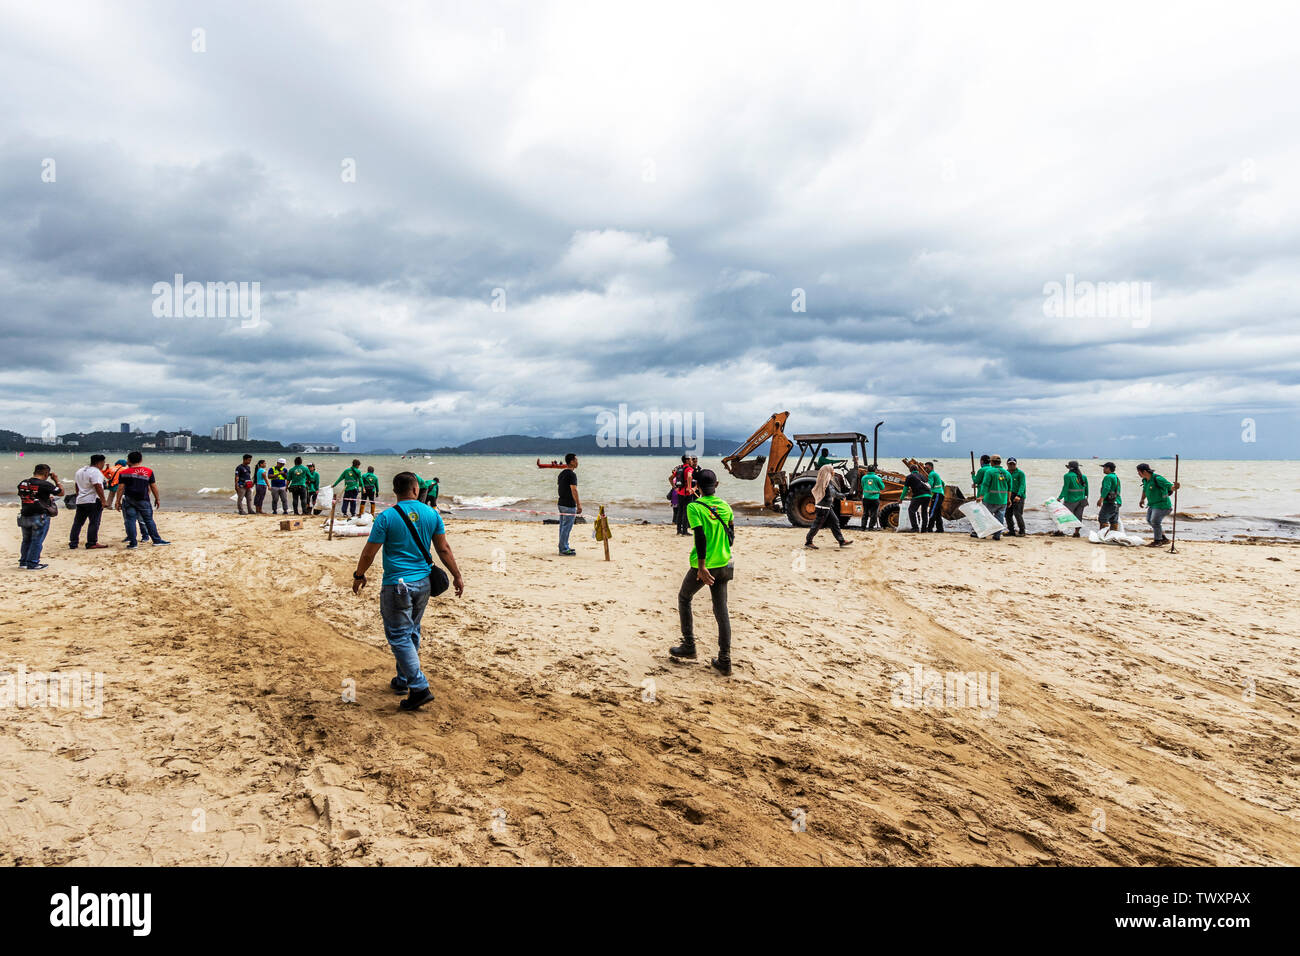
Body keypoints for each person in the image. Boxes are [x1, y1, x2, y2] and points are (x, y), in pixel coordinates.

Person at [350, 471, 464, 712]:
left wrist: (359, 575)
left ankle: (419, 687)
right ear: (415, 490)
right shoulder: (431, 513)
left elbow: (370, 552)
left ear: (396, 491)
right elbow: (443, 549)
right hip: (423, 583)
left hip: (396, 584)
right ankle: (403, 679)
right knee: (411, 629)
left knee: (399, 634)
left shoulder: (386, 517)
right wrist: (457, 575)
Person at [668, 469, 736, 676]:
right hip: (725, 563)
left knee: (684, 597)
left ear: (696, 486)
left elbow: (700, 537)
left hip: (705, 564)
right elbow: (732, 536)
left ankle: (689, 645)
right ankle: (724, 659)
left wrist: (702, 566)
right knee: (721, 610)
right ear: (716, 485)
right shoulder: (725, 506)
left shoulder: (694, 507)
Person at [114, 451, 168, 548]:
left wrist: (117, 501)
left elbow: (121, 488)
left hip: (129, 499)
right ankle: (156, 540)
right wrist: (157, 499)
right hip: (143, 499)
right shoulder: (148, 471)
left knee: (130, 521)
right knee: (148, 520)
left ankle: (133, 543)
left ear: (129, 460)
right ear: (141, 460)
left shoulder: (123, 473)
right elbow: (153, 486)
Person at [17, 463, 62, 570]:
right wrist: (56, 480)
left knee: (26, 539)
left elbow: (24, 494)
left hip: (24, 514)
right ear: (46, 473)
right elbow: (60, 493)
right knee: (37, 540)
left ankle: (23, 562)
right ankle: (33, 563)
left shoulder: (23, 483)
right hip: (39, 515)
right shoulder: (45, 484)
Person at [805, 464, 851, 549]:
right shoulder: (827, 481)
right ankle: (808, 541)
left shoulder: (823, 480)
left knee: (835, 522)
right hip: (823, 508)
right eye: (832, 470)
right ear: (828, 471)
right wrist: (844, 495)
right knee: (817, 525)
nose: (833, 472)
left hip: (827, 507)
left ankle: (841, 541)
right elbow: (833, 493)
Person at [70, 454, 109, 550]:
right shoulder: (96, 472)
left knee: (78, 522)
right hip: (93, 500)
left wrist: (78, 494)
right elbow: (98, 486)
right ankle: (91, 542)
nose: (103, 465)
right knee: (94, 522)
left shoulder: (80, 471)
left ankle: (73, 542)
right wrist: (104, 501)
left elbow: (77, 485)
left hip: (81, 500)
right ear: (99, 462)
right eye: (103, 463)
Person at [1137, 463, 1178, 547]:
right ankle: (1163, 538)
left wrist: (1176, 487)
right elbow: (1144, 490)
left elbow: (1170, 487)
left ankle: (1157, 541)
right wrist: (1142, 499)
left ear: (1144, 471)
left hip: (1162, 505)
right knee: (1149, 520)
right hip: (1152, 504)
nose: (1138, 474)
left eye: (1139, 472)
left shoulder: (1158, 479)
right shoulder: (1145, 480)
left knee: (1155, 522)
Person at [977, 454, 1011, 541]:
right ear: (1000, 462)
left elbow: (985, 485)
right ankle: (997, 535)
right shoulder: (1007, 473)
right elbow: (1009, 488)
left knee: (985, 517)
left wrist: (981, 496)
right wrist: (1009, 499)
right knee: (1000, 518)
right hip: (1002, 500)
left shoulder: (990, 472)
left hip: (990, 499)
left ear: (991, 462)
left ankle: (984, 533)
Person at [1057, 461, 1089, 537]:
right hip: (1082, 499)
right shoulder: (1083, 476)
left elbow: (1065, 488)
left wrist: (1060, 497)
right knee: (1079, 516)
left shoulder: (1067, 476)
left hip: (1070, 499)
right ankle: (1076, 532)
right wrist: (1086, 497)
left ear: (1069, 468)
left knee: (1064, 515)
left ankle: (1060, 531)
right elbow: (1086, 489)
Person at [557, 453, 581, 555]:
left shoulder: (562, 473)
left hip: (561, 503)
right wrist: (579, 504)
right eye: (576, 460)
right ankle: (563, 549)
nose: (577, 462)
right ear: (571, 462)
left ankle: (564, 546)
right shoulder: (572, 474)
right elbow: (574, 489)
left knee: (563, 527)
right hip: (568, 504)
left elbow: (560, 487)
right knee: (566, 527)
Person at [902, 464, 932, 532]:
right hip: (928, 495)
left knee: (911, 510)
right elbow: (928, 485)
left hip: (918, 495)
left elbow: (905, 489)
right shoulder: (923, 476)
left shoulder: (909, 477)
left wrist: (901, 498)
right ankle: (924, 529)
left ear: (910, 470)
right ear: (917, 470)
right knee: (924, 511)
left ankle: (915, 528)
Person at [1097, 462, 1122, 533]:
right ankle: (1113, 535)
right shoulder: (1116, 477)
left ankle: (1102, 535)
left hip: (1109, 502)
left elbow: (1106, 488)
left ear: (1108, 468)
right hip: (1117, 501)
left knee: (1103, 519)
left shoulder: (1108, 477)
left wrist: (1101, 499)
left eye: (1104, 468)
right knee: (1114, 520)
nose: (1103, 469)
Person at [1005, 458, 1027, 536]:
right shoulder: (1005, 473)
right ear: (1007, 464)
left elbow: (1022, 485)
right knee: (1007, 514)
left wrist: (1018, 495)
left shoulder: (1020, 473)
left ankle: (1022, 531)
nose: (1011, 465)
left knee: (1017, 513)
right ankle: (1011, 531)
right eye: (1010, 464)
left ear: (1016, 464)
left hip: (1019, 495)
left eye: (1013, 464)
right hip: (1008, 495)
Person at [860, 464, 884, 530]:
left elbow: (862, 486)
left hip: (866, 498)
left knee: (865, 513)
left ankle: (863, 527)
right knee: (874, 513)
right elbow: (882, 487)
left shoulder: (864, 477)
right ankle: (871, 527)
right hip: (875, 498)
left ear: (867, 470)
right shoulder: (877, 478)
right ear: (875, 470)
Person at [924, 462, 946, 533]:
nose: (926, 469)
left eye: (927, 468)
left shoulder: (931, 474)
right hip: (940, 494)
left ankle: (929, 528)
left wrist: (922, 484)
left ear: (931, 467)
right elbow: (943, 483)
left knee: (932, 511)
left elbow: (930, 485)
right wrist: (942, 490)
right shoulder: (936, 474)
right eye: (925, 468)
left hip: (937, 495)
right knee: (937, 512)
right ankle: (940, 529)